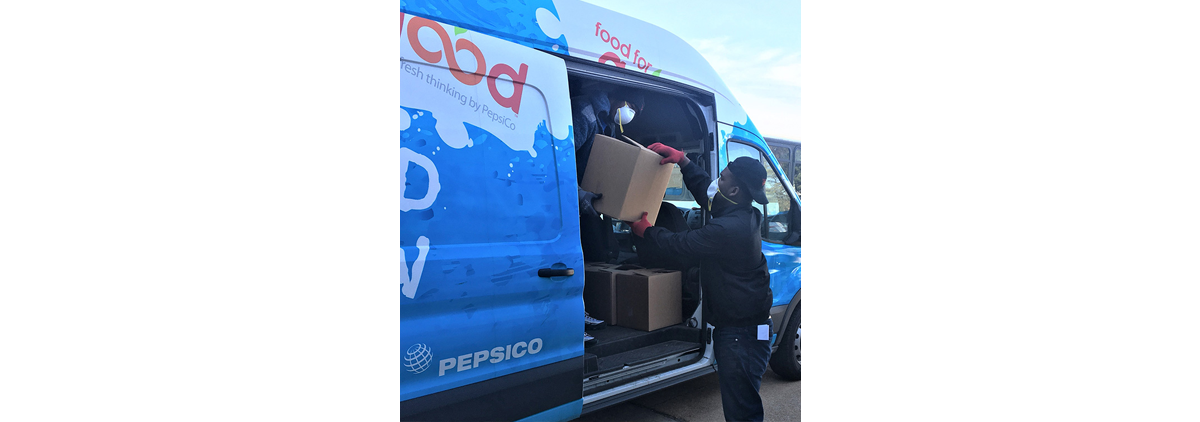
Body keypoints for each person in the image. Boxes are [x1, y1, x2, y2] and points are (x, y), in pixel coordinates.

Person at [630, 143, 774, 422]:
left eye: (722, 178)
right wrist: (683, 161)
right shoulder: (743, 211)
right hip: (750, 330)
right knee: (743, 401)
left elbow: (680, 245)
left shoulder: (729, 229)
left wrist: (647, 232)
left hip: (740, 337)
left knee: (742, 411)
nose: (716, 182)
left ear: (733, 191)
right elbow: (708, 193)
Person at [573, 87, 645, 344]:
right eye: (632, 108)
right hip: (569, 202)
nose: (631, 114)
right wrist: (580, 196)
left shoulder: (609, 125)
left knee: (592, 255)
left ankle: (580, 312)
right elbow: (559, 161)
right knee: (571, 261)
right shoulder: (585, 112)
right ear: (618, 98)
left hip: (587, 205)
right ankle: (572, 321)